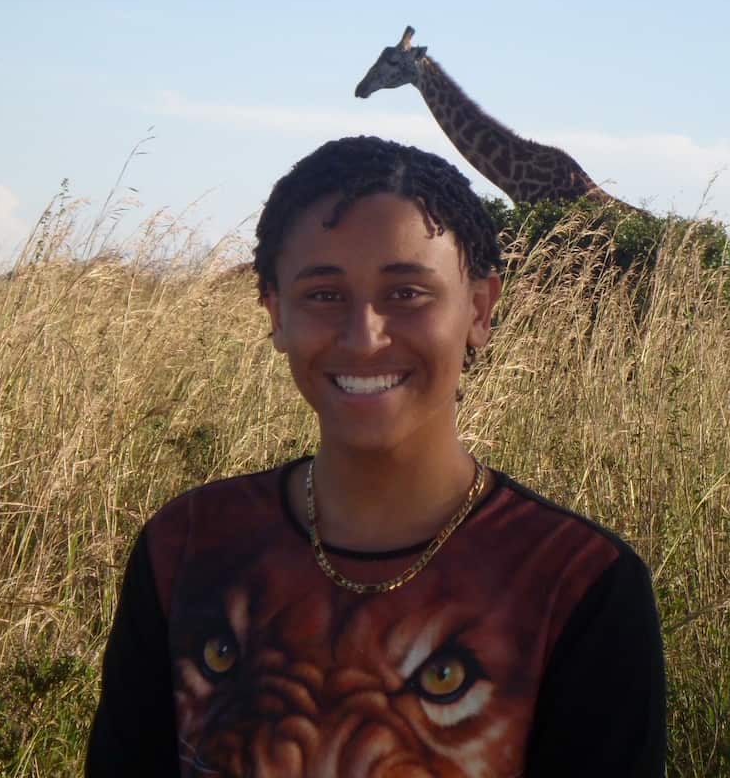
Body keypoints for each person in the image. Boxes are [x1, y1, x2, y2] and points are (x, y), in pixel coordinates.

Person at [87, 135, 666, 777]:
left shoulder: (581, 586)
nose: (365, 338)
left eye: (407, 294)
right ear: (276, 314)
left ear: (479, 309)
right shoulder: (186, 547)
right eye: (324, 295)